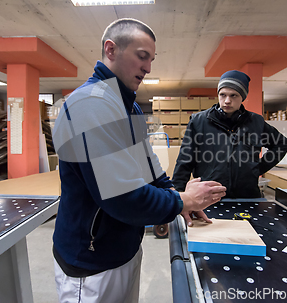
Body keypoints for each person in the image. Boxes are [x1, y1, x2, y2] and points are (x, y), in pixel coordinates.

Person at [51, 18, 227, 303]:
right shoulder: (89, 106)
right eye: (142, 56)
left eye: (151, 59)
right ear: (111, 49)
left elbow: (150, 168)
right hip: (92, 262)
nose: (148, 68)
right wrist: (182, 201)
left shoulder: (127, 106)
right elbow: (121, 197)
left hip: (124, 247)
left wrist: (174, 197)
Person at [172, 70, 287, 198]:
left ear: (242, 97)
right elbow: (185, 159)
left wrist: (257, 169)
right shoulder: (199, 121)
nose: (227, 101)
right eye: (222, 95)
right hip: (209, 196)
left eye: (234, 95)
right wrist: (178, 195)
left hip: (247, 195)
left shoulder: (255, 122)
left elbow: (281, 144)